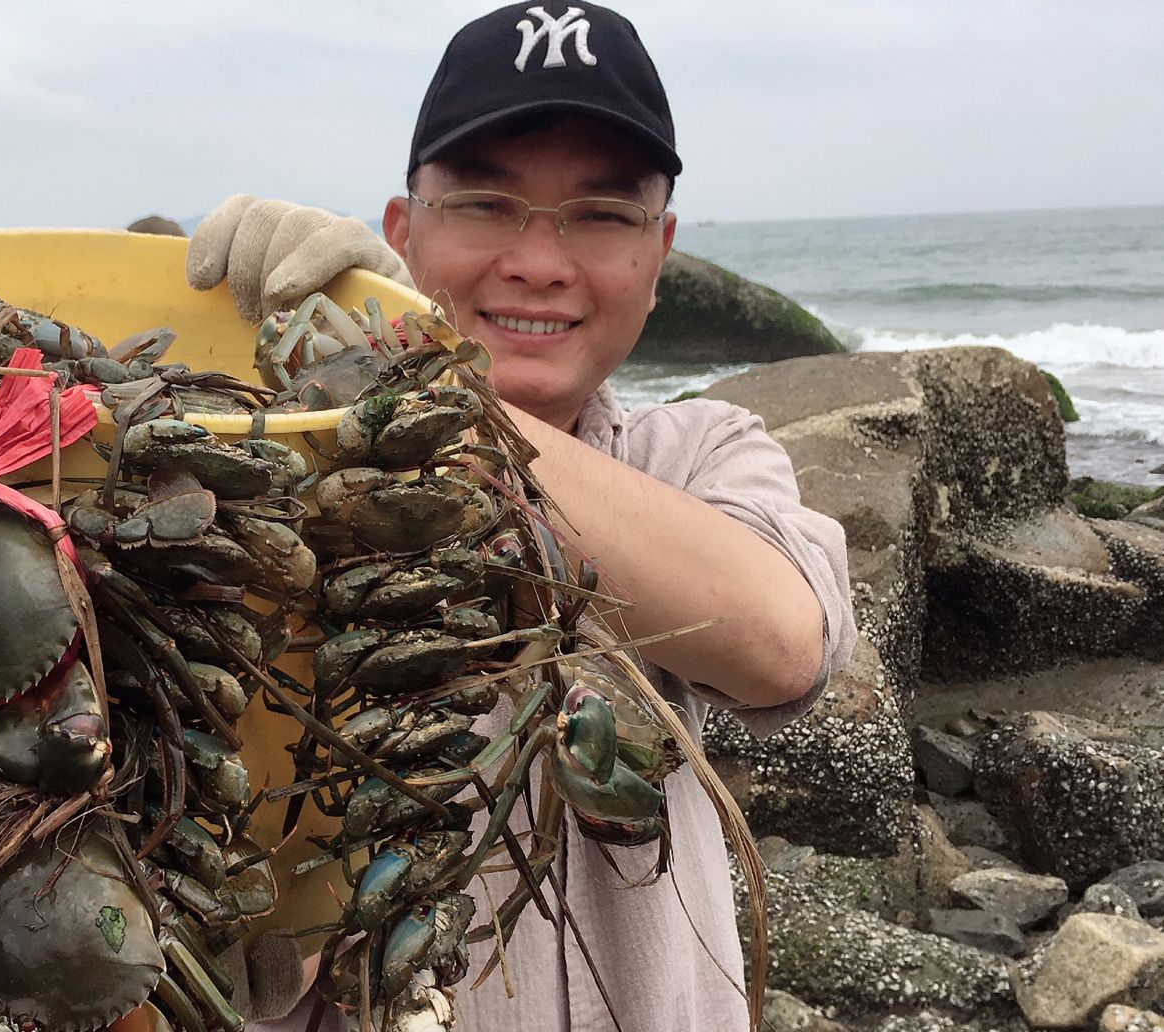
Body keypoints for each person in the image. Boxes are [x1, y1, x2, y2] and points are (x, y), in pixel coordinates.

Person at [184, 4, 856, 1030]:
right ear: (403, 233)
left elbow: (780, 640)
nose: (540, 262)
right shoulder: (266, 460)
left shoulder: (700, 454)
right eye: (487, 205)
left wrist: (416, 389)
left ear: (661, 249)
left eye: (600, 215)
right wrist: (198, 352)